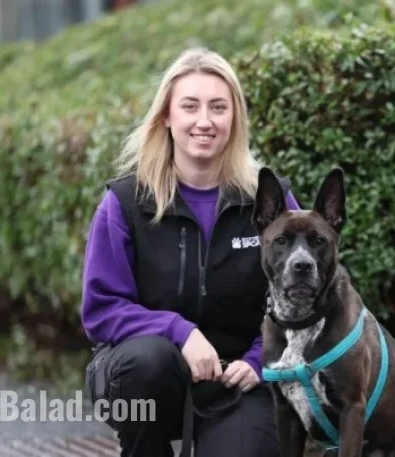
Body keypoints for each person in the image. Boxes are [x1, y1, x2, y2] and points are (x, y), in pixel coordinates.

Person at [81, 47, 300, 457]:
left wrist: (259, 360)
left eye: (218, 107)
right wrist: (179, 332)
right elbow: (102, 309)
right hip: (149, 378)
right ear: (167, 115)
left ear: (234, 118)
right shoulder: (125, 202)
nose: (204, 121)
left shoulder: (270, 202)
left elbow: (302, 300)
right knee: (145, 363)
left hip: (239, 379)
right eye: (190, 106)